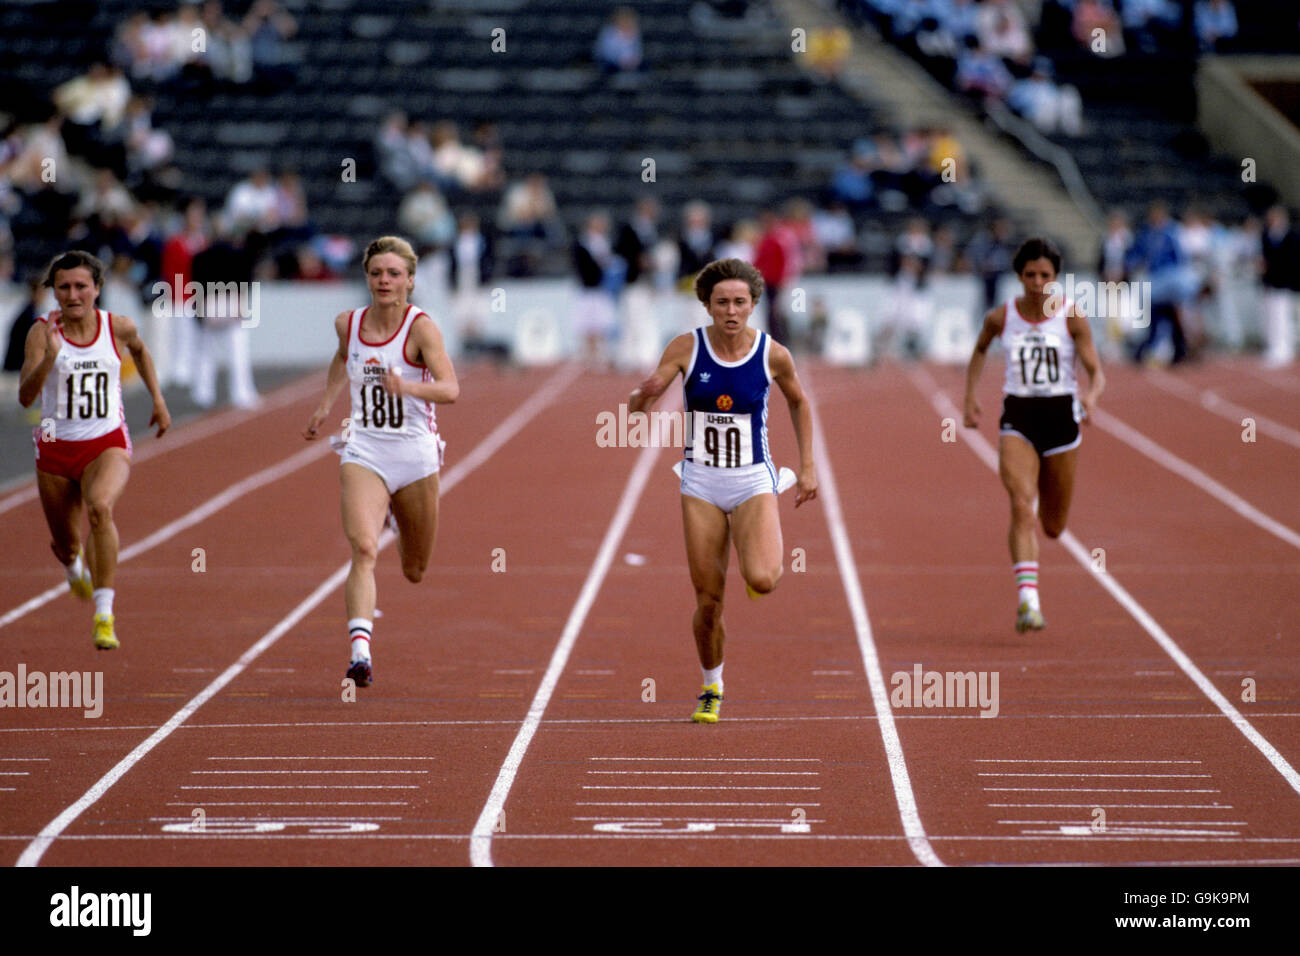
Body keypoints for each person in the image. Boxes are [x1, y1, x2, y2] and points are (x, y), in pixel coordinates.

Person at [628, 258, 817, 723]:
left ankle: (765, 525)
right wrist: (642, 395)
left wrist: (808, 466)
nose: (730, 311)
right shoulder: (686, 347)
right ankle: (711, 687)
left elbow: (798, 401)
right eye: (721, 303)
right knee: (709, 601)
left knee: (763, 580)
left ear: (753, 304)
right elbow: (638, 409)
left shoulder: (773, 354)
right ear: (706, 305)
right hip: (701, 483)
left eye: (739, 302)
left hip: (752, 478)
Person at [303, 236, 458, 687]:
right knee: (364, 549)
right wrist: (325, 404)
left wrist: (407, 387)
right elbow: (341, 358)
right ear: (366, 278)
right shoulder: (347, 323)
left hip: (414, 455)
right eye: (376, 273)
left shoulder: (421, 328)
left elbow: (451, 389)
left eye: (393, 274)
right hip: (364, 450)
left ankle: (394, 511)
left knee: (414, 570)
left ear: (410, 280)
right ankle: (360, 654)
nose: (384, 281)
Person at [17, 250, 171, 649]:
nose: (72, 295)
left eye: (81, 286)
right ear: (54, 292)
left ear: (97, 289)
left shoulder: (117, 327)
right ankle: (73, 568)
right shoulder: (41, 332)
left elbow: (140, 350)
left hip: (106, 442)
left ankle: (104, 613)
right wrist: (50, 358)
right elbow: (25, 398)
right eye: (64, 287)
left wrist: (158, 399)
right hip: (54, 445)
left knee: (100, 509)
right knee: (65, 543)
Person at [963, 238, 1104, 632]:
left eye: (1045, 275)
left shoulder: (1072, 317)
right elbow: (978, 351)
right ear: (1019, 275)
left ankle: (1036, 560)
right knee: (1022, 504)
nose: (1037, 282)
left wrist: (1091, 396)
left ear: (1056, 277)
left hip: (1061, 420)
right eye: (1030, 274)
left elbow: (1096, 371)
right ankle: (1029, 602)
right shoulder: (1000, 317)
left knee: (1053, 527)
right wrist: (970, 397)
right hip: (1019, 418)